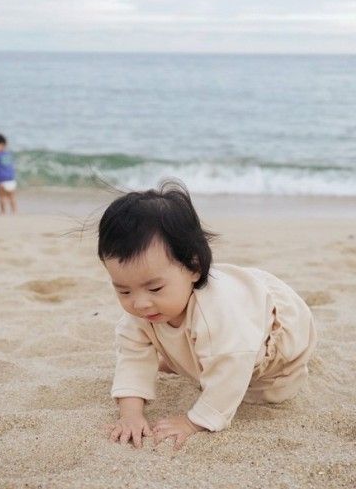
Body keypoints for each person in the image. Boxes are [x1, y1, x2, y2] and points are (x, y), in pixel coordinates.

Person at [98, 180, 317, 450]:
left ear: (193, 267)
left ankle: (205, 361)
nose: (140, 303)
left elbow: (231, 370)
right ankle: (189, 357)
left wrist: (193, 422)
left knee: (267, 391)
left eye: (154, 287)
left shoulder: (217, 317)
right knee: (187, 352)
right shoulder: (144, 308)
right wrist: (131, 415)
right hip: (228, 330)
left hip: (275, 337)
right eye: (123, 291)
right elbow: (132, 358)